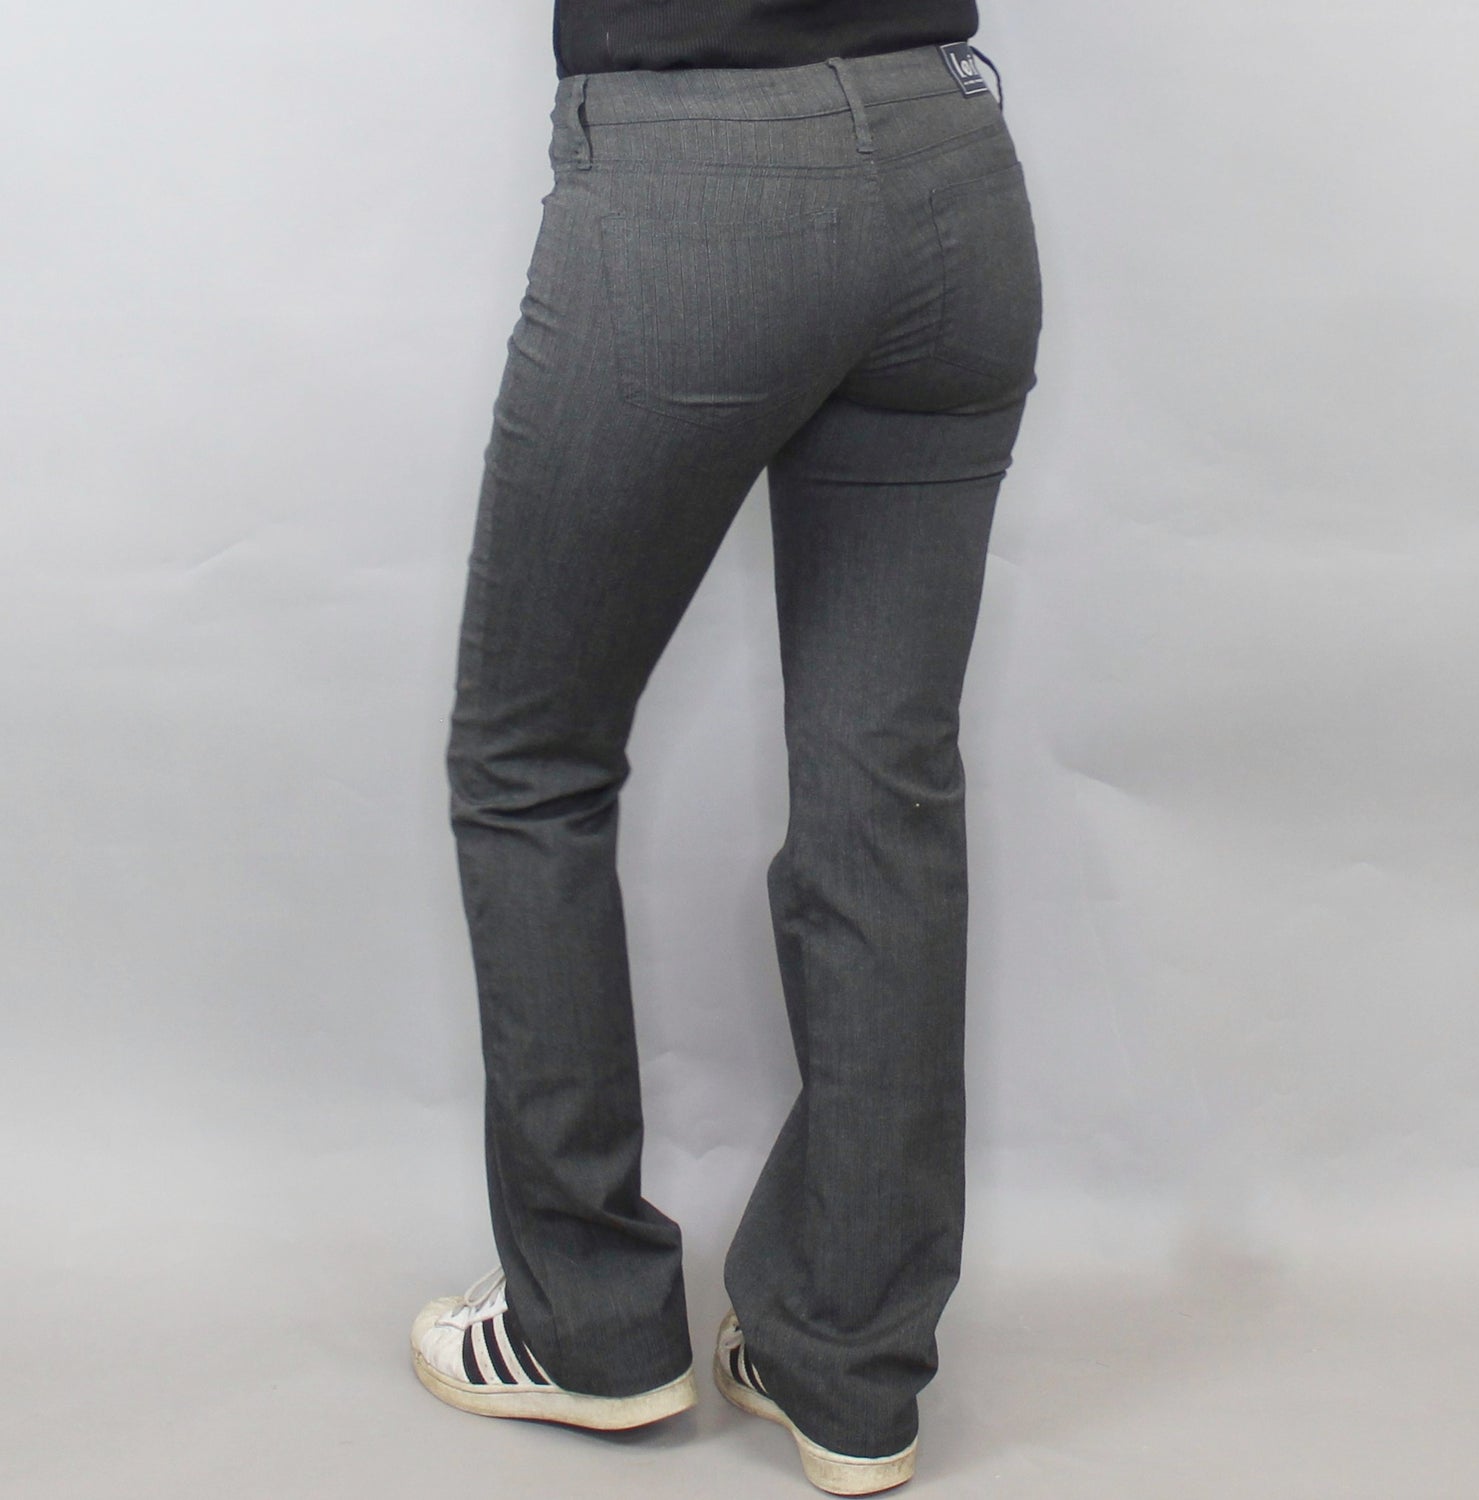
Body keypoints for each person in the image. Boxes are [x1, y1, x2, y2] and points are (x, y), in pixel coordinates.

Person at [408, 4, 1043, 1493]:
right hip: (950, 167)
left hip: (695, 183)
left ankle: (586, 1327)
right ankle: (847, 1362)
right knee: (885, 792)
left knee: (530, 764)